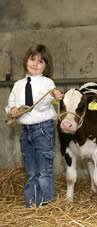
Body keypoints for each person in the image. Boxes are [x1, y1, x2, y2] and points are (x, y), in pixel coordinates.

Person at [5, 44, 64, 207]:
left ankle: (46, 206)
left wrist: (52, 95)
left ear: (46, 66)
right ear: (26, 61)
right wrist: (13, 110)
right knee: (31, 172)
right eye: (32, 59)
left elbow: (41, 106)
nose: (35, 64)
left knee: (44, 172)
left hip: (43, 129)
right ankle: (32, 205)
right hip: (25, 131)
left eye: (41, 61)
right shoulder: (18, 85)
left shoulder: (48, 83)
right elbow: (11, 103)